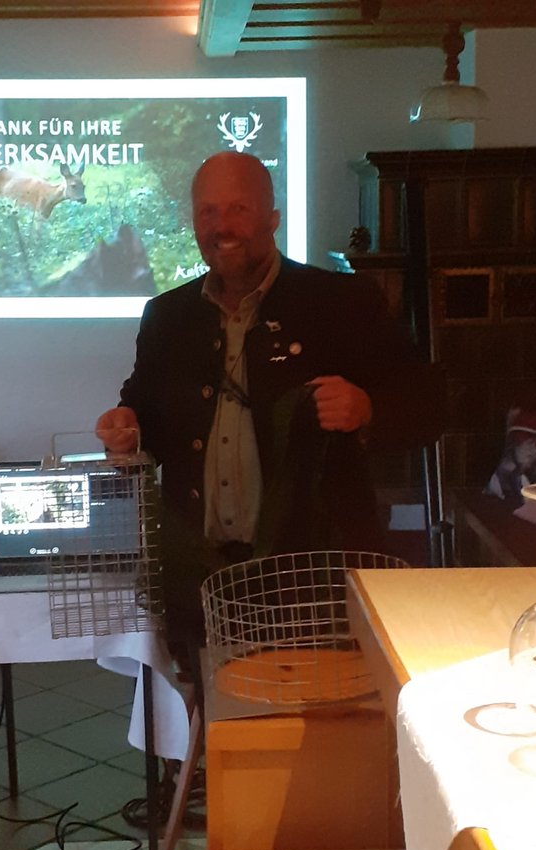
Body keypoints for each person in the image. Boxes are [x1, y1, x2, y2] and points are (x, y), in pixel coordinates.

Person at [96, 151, 444, 679]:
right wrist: (126, 427)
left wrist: (367, 407)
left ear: (273, 218)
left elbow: (428, 406)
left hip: (315, 585)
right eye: (208, 211)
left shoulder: (341, 301)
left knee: (318, 720)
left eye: (238, 209)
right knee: (207, 718)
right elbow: (143, 409)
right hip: (199, 582)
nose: (222, 226)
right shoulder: (167, 316)